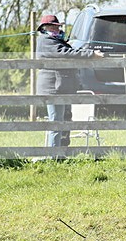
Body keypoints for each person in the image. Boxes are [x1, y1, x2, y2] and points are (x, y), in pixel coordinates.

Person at [35, 14, 103, 147]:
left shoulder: (55, 40)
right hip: (53, 88)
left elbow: (70, 51)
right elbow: (66, 53)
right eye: (52, 27)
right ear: (44, 28)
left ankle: (62, 152)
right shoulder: (45, 40)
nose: (56, 30)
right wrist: (91, 54)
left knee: (65, 119)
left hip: (62, 87)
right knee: (56, 121)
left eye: (57, 27)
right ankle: (53, 155)